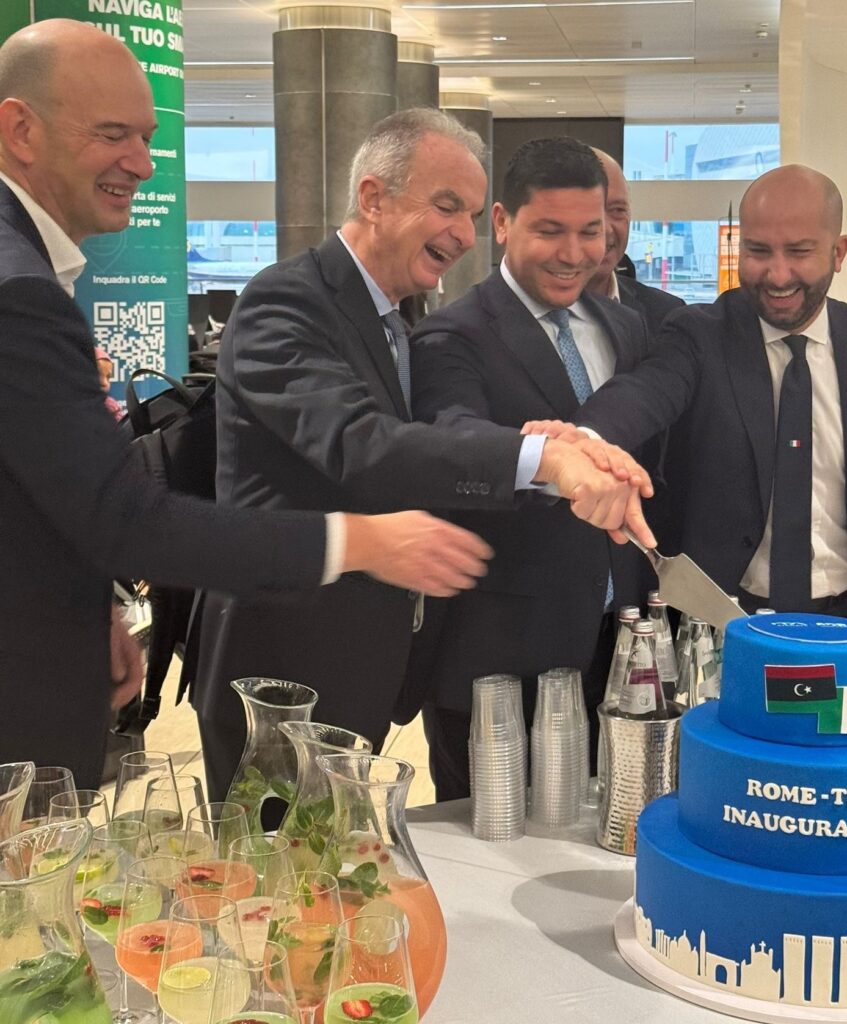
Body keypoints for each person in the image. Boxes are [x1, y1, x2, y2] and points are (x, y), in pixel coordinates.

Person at [0, 20, 500, 787]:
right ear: (19, 128)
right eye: (112, 135)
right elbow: (132, 520)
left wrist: (91, 605)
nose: (141, 162)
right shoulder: (23, 292)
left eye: (146, 136)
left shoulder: (407, 322)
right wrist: (359, 543)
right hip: (241, 670)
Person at [195, 110, 656, 800]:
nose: (462, 236)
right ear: (374, 198)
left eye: (468, 214)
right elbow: (362, 445)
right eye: (446, 207)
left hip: (365, 659)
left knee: (338, 871)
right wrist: (542, 458)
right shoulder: (284, 302)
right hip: (284, 663)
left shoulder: (394, 315)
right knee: (275, 882)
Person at [531, 164, 847, 712]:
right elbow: (644, 392)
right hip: (724, 634)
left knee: (830, 784)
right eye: (759, 250)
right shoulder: (701, 334)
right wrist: (583, 441)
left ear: (839, 253)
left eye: (799, 252)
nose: (776, 273)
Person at [406, 137, 657, 799]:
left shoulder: (621, 328)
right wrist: (549, 462)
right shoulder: (452, 336)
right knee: (487, 864)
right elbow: (453, 442)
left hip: (614, 653)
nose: (574, 254)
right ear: (501, 222)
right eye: (549, 231)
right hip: (496, 665)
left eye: (590, 232)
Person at [585, 149, 684, 334]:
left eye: (617, 210)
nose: (605, 229)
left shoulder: (667, 314)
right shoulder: (521, 318)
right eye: (588, 211)